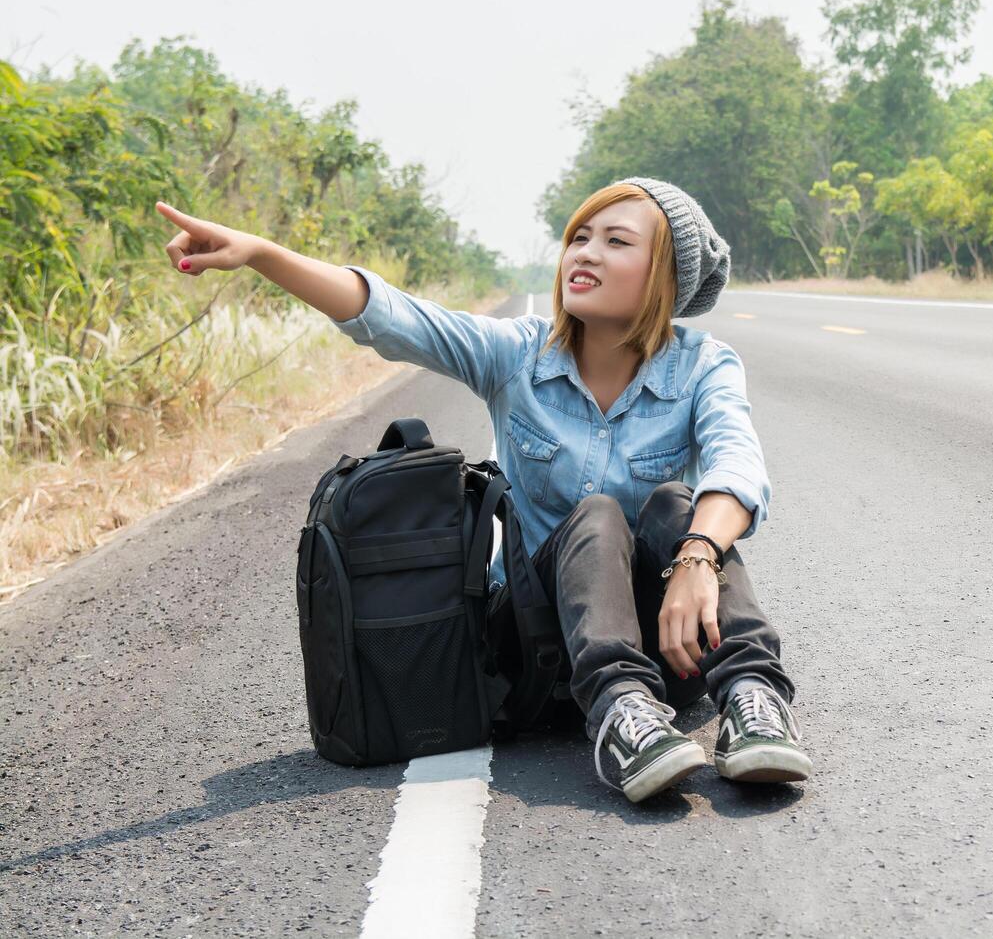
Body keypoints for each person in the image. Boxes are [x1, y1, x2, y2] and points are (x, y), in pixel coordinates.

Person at [155, 176, 811, 803]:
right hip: (541, 650)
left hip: (672, 648)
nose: (584, 253)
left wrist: (696, 556)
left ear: (665, 276)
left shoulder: (703, 365)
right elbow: (392, 317)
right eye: (579, 237)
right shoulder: (518, 354)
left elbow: (737, 465)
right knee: (599, 514)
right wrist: (262, 255)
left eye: (616, 241)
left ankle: (755, 699)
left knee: (679, 506)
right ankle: (622, 715)